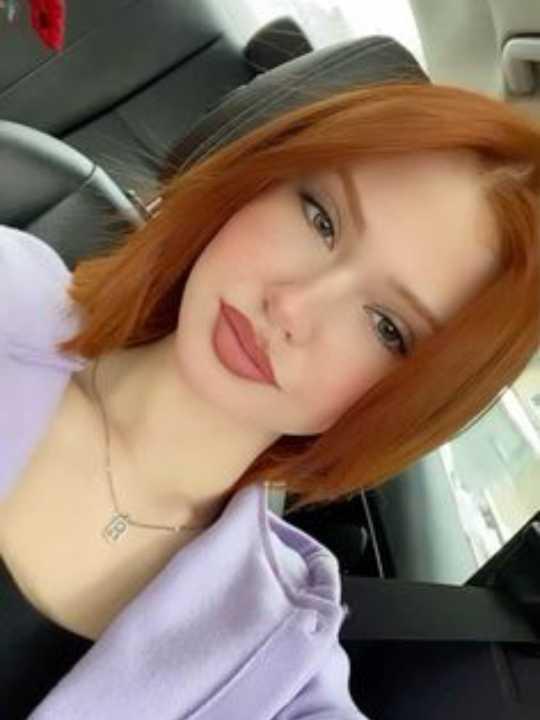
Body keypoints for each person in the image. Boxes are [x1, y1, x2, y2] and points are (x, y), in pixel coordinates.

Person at [1, 79, 539, 719]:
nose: (291, 307)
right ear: (263, 177)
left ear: (413, 401)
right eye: (321, 219)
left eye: (385, 326)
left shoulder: (281, 665)